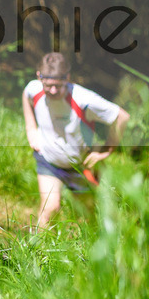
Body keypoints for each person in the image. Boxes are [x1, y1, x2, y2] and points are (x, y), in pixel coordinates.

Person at [22, 52, 130, 230]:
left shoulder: (84, 99)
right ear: (39, 76)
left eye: (58, 85)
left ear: (67, 78)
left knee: (87, 215)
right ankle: (37, 252)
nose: (53, 91)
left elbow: (122, 117)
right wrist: (31, 129)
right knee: (51, 207)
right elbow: (26, 95)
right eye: (48, 86)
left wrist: (106, 149)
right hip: (48, 160)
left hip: (80, 165)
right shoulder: (33, 89)